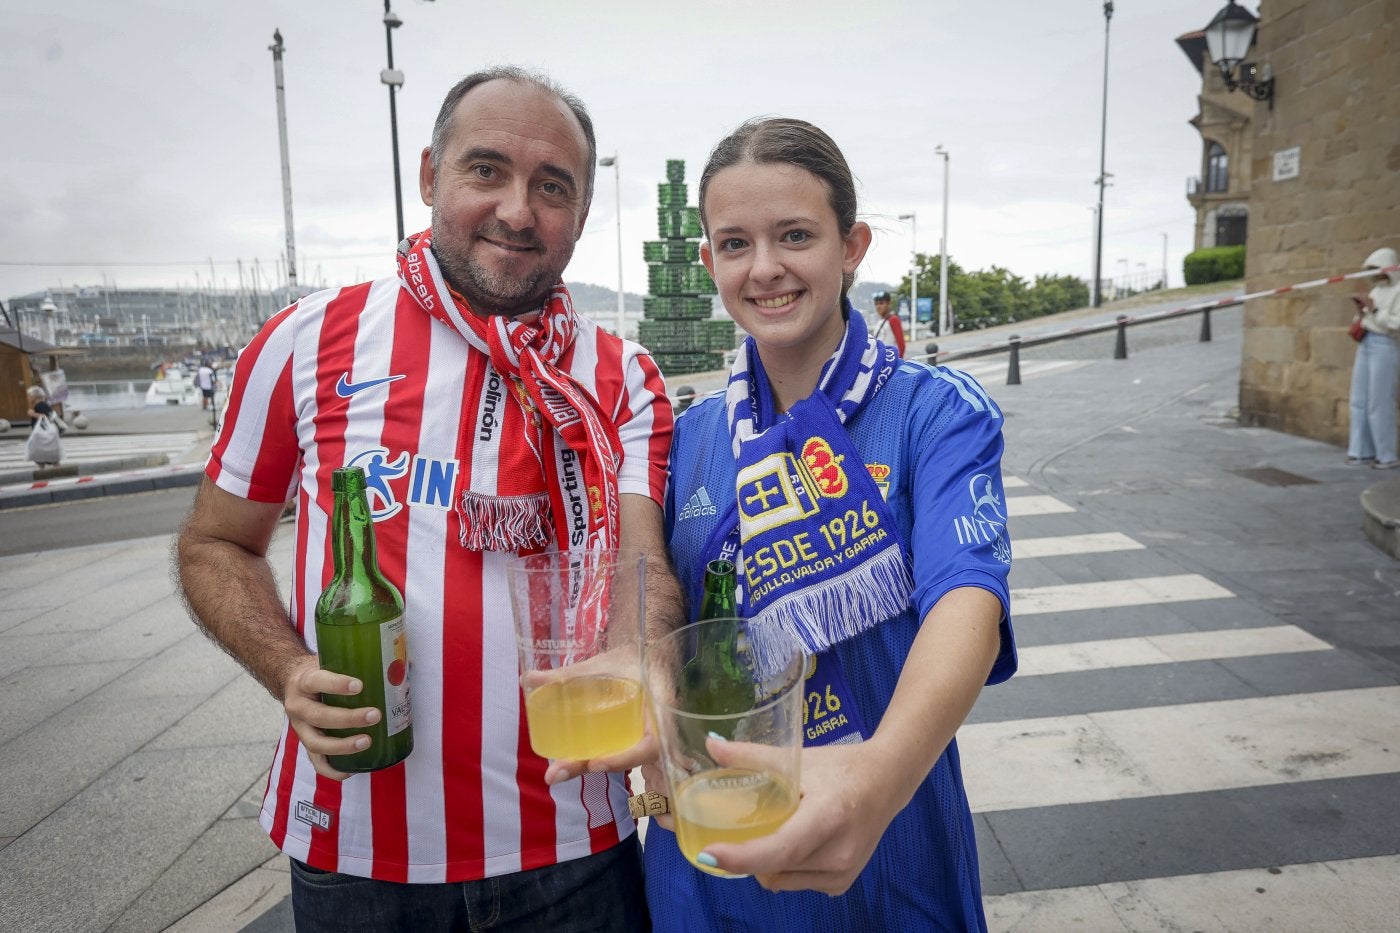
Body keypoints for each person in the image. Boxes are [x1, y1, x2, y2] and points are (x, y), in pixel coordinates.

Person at [174, 66, 681, 932]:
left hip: (573, 850)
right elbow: (215, 543)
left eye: (552, 187)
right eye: (486, 170)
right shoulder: (308, 340)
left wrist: (640, 658)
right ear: (428, 176)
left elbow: (640, 562)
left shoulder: (620, 376)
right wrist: (289, 670)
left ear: (582, 215)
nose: (519, 211)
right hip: (357, 854)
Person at [642, 117, 1016, 931]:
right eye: (735, 243)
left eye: (796, 235)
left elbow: (970, 600)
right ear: (708, 262)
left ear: (853, 246)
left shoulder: (935, 414)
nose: (766, 267)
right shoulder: (690, 436)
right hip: (706, 860)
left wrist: (879, 776)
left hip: (884, 836)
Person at [1347, 246, 1400, 470]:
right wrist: (1362, 311)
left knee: (1380, 401)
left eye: (1377, 269)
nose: (1374, 274)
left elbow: (1396, 324)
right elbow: (1370, 315)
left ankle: (1386, 455)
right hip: (1367, 343)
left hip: (1385, 345)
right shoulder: (1377, 290)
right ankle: (1361, 450)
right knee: (1359, 399)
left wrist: (1375, 311)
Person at [25, 385, 63, 466]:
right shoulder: (42, 404)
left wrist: (33, 414)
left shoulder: (40, 405)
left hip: (44, 432)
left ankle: (49, 468)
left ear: (34, 397)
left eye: (29, 395)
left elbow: (45, 416)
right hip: (44, 432)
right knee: (43, 451)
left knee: (41, 451)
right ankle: (51, 465)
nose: (28, 398)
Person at [870, 289, 905, 357]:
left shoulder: (893, 320)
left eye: (881, 303)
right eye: (876, 304)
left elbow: (901, 345)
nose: (878, 307)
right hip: (881, 361)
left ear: (888, 304)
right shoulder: (880, 321)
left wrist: (897, 363)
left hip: (891, 361)